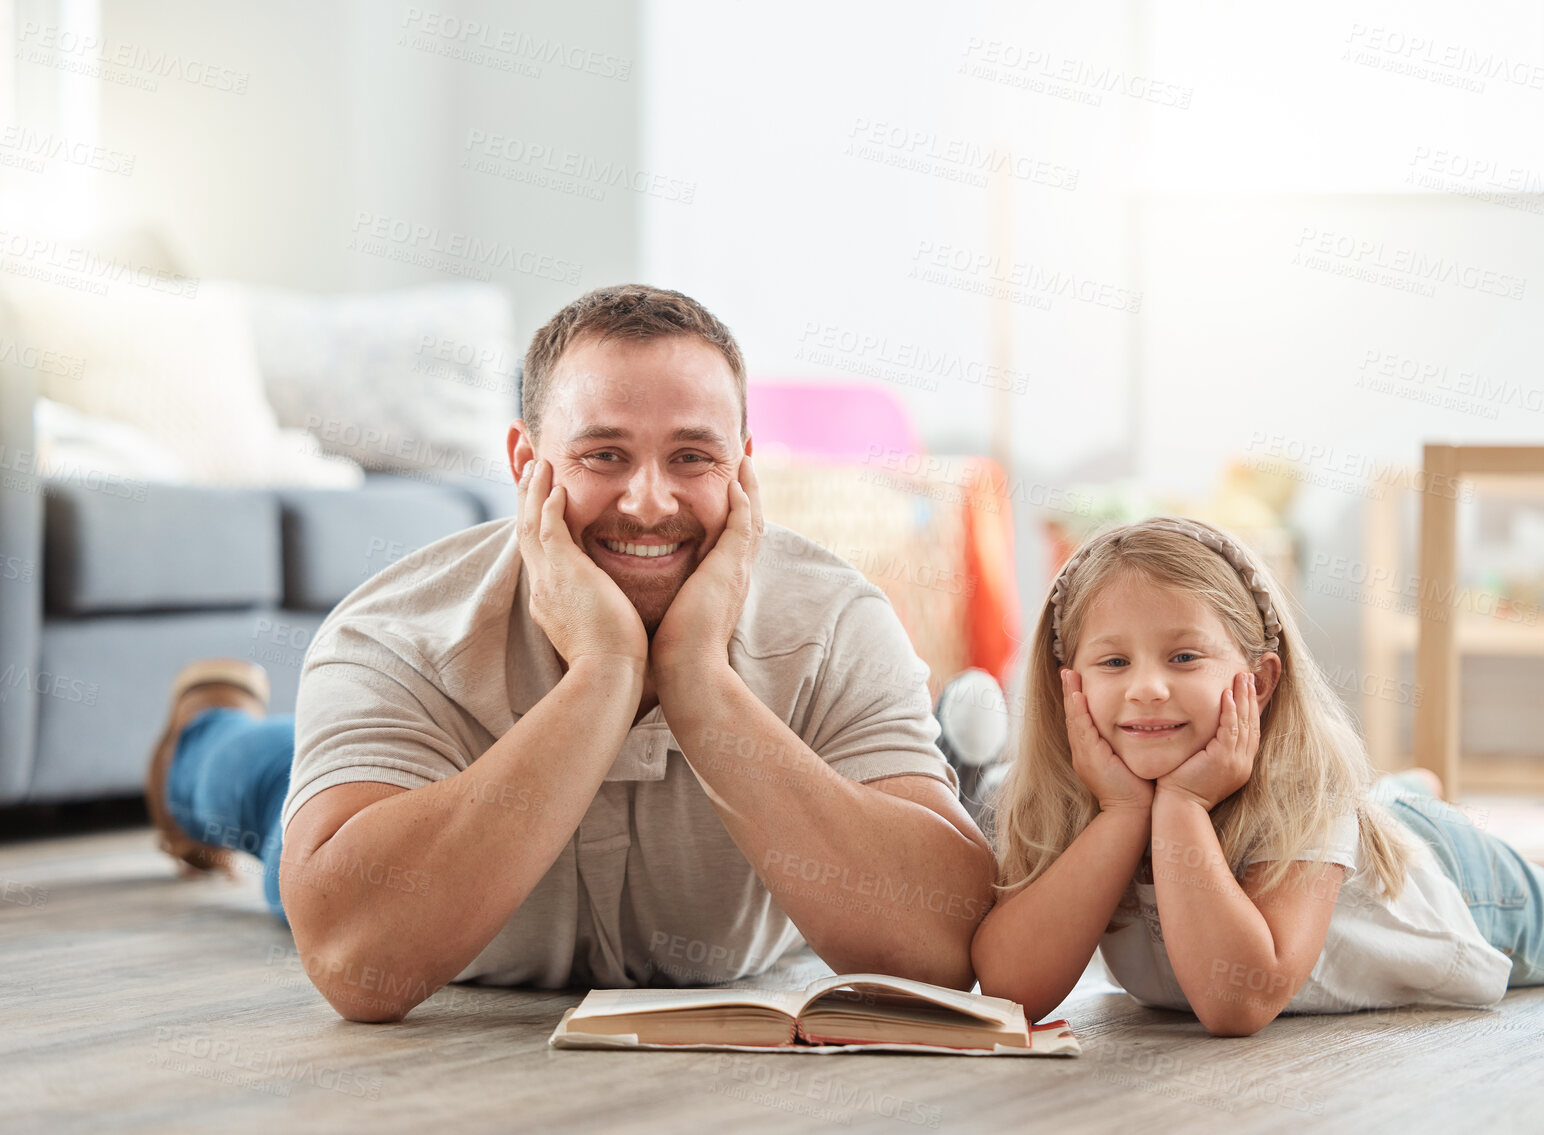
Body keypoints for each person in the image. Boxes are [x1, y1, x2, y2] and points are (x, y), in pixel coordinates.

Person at [145, 284, 994, 1022]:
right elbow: (352, 957)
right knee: (252, 786)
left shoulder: (838, 623)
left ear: (744, 468)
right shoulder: (392, 633)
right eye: (603, 455)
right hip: (405, 849)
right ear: (527, 464)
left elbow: (943, 944)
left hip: (447, 831)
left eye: (692, 457)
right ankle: (205, 726)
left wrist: (697, 681)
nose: (650, 500)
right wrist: (606, 675)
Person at [971, 516, 1544, 1034]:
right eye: (1113, 662)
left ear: (1263, 680)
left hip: (1459, 885)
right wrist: (1116, 816)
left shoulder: (1303, 792)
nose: (1147, 687)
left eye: (1184, 656)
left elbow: (1238, 997)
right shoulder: (1057, 799)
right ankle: (1401, 792)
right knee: (1380, 802)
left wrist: (1178, 803)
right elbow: (1011, 988)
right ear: (1066, 682)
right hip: (1361, 836)